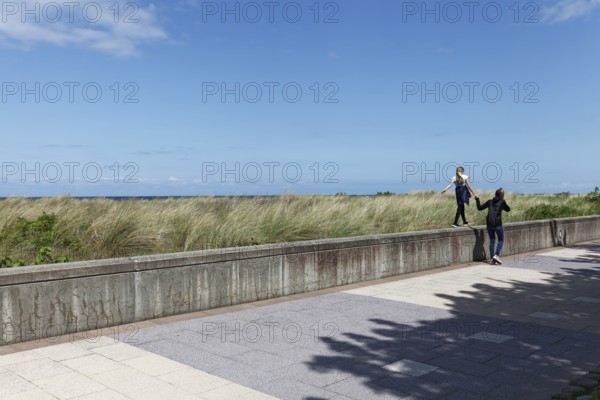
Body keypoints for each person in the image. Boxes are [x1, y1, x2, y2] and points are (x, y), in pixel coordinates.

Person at [475, 188, 511, 264]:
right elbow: (508, 209)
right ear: (502, 195)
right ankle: (496, 255)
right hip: (498, 224)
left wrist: (477, 200)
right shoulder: (502, 201)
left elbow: (479, 208)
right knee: (501, 240)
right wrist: (504, 203)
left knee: (492, 240)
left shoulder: (489, 202)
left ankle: (492, 258)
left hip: (489, 224)